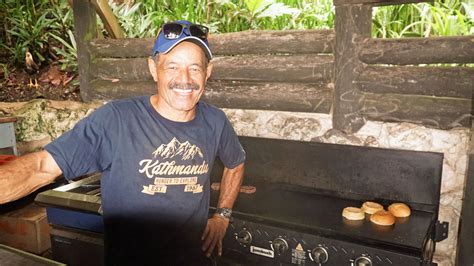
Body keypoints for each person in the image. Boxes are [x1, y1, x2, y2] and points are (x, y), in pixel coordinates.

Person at [0, 20, 246, 266]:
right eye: (172, 66)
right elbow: (41, 167)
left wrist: (222, 216)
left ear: (208, 72)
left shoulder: (215, 121)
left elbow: (236, 162)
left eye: (194, 68)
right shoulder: (116, 120)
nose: (184, 79)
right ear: (153, 68)